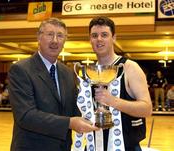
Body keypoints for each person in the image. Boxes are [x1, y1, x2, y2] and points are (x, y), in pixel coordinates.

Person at [8, 18, 98, 151]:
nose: (55, 40)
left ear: (64, 41)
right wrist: (69, 123)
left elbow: (74, 108)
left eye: (60, 35)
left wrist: (97, 112)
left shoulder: (67, 72)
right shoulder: (21, 70)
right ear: (39, 37)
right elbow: (26, 115)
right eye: (50, 34)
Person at [88, 16, 152, 151]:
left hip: (126, 146)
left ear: (114, 38)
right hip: (95, 144)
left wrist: (113, 101)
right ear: (90, 40)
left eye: (104, 35)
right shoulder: (90, 72)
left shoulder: (130, 67)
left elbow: (147, 109)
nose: (99, 39)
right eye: (94, 35)